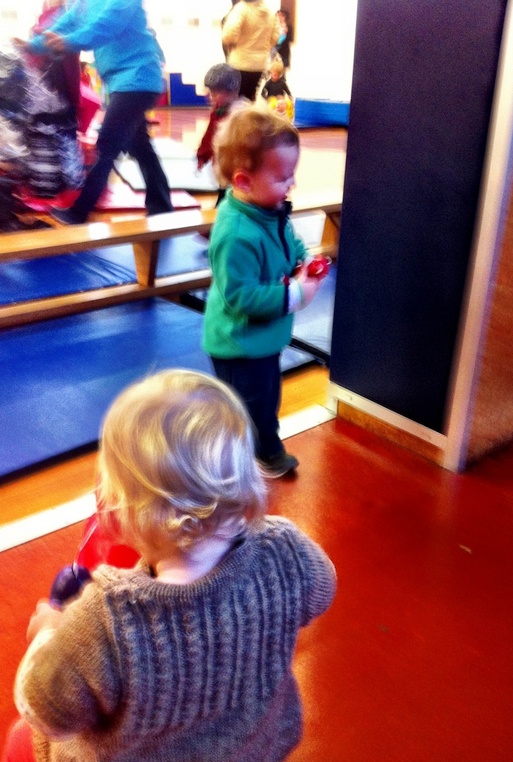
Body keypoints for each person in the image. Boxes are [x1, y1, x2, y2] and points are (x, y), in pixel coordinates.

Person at [0, 368, 336, 762]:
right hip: (251, 753)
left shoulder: (106, 619)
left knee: (20, 740)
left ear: (118, 514)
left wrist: (46, 635)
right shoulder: (284, 549)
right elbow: (323, 588)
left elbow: (43, 710)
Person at [202, 104, 325, 476]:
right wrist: (296, 295)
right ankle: (261, 455)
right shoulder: (236, 234)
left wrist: (305, 259)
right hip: (240, 345)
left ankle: (250, 447)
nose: (292, 184)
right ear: (243, 181)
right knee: (250, 408)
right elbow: (241, 297)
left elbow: (289, 241)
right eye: (283, 177)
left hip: (264, 341)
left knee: (265, 400)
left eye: (292, 175)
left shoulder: (270, 209)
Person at [20, 0, 173, 223]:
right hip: (123, 83)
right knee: (140, 147)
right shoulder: (84, 3)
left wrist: (68, 42)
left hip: (138, 78)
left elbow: (105, 26)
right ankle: (162, 207)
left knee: (106, 146)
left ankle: (79, 211)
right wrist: (31, 46)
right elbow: (61, 24)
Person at [196, 63, 242, 205]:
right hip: (222, 164)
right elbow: (210, 134)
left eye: (215, 94)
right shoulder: (218, 111)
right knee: (223, 191)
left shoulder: (239, 113)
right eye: (210, 93)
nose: (211, 98)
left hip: (236, 165)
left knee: (231, 194)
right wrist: (202, 155)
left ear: (232, 92)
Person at [221, 0, 279, 101]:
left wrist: (232, 44)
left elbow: (229, 34)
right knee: (250, 96)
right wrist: (264, 47)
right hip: (260, 63)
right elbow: (275, 36)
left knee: (235, 99)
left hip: (240, 62)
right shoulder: (270, 12)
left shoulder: (242, 9)